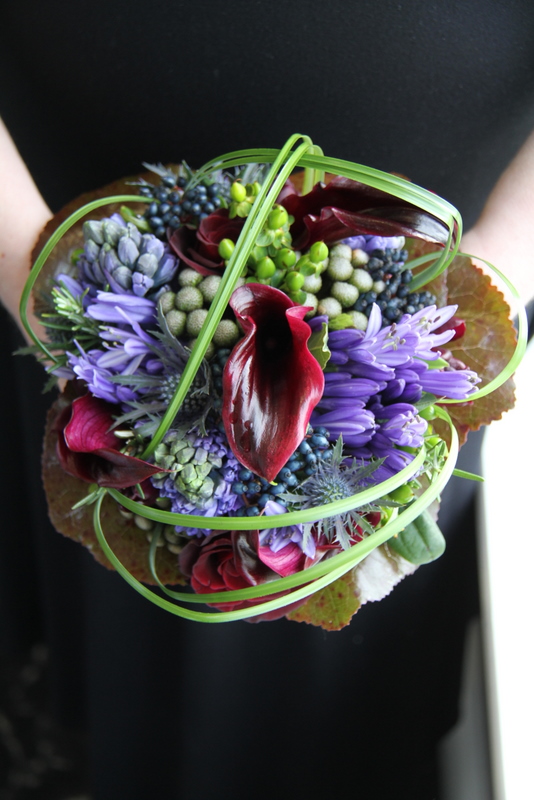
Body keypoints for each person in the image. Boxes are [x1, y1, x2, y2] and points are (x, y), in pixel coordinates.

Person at [1, 2, 534, 798]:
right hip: (77, 275)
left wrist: (496, 268)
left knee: (349, 654)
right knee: (119, 597)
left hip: (421, 318)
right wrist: (29, 269)